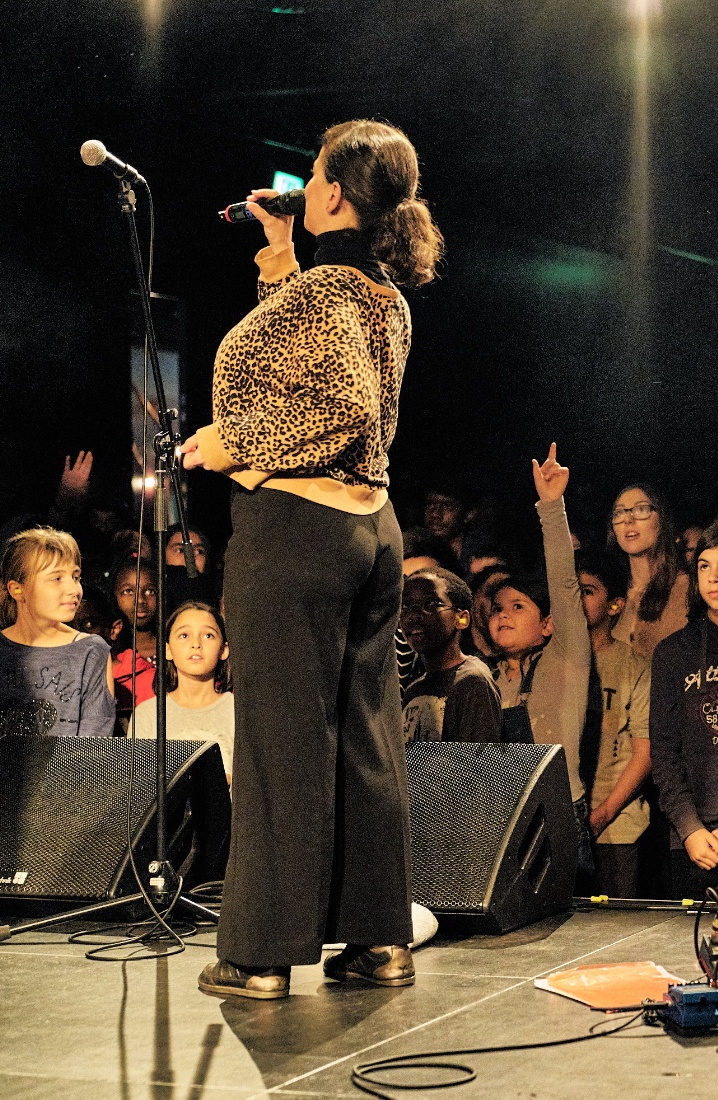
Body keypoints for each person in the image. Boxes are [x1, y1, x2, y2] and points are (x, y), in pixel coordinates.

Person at [182, 118, 443, 999]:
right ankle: (379, 940)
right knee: (365, 737)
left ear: (331, 192)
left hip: (295, 532)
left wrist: (231, 440)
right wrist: (280, 253)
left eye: (314, 175)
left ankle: (257, 954)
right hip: (370, 529)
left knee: (280, 742)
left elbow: (333, 404)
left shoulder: (322, 299)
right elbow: (312, 357)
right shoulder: (377, 297)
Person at [487, 445, 594, 877]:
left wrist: (552, 507)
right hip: (504, 822)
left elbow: (564, 582)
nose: (503, 615)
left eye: (517, 607)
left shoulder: (564, 655)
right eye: (496, 609)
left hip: (559, 814)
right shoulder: (485, 678)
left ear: (548, 623)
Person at [0, 529, 116, 787]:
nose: (73, 589)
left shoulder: (91, 652)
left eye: (75, 577)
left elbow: (92, 750)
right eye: (56, 579)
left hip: (60, 806)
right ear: (18, 590)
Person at [649, 520, 718, 899]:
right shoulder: (673, 652)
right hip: (693, 842)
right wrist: (689, 828)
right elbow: (663, 751)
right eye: (704, 565)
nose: (714, 577)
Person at [577, 554, 653, 898]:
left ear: (614, 605)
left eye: (587, 591)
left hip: (616, 827)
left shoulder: (632, 666)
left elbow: (644, 752)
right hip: (560, 827)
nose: (576, 599)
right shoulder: (548, 663)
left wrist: (603, 812)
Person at [131, 601, 236, 782]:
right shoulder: (148, 715)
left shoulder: (237, 711)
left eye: (208, 635)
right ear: (168, 650)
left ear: (224, 649)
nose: (196, 644)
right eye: (184, 635)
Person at [398, 566, 501, 746]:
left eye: (431, 604)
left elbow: (478, 764)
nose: (413, 615)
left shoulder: (472, 681)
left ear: (461, 619)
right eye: (406, 606)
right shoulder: (414, 690)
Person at [608, 484, 690, 661]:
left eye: (641, 509)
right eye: (619, 513)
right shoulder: (611, 590)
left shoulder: (686, 589)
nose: (628, 520)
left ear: (661, 520)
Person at [109, 558, 160, 717]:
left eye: (150, 591)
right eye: (128, 592)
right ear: (114, 596)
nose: (140, 600)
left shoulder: (175, 649)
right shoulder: (111, 655)